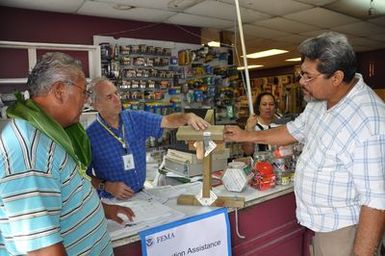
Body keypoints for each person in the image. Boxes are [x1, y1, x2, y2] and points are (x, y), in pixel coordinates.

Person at [224, 32, 385, 256]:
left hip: (345, 233)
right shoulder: (320, 102)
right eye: (302, 74)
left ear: (336, 78)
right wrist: (244, 136)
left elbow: (376, 202)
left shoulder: (370, 121)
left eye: (308, 76)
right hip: (320, 227)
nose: (301, 82)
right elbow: (291, 131)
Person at [0, 52, 134, 255]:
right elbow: (42, 250)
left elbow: (67, 186)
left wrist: (105, 210)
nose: (86, 100)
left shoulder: (50, 133)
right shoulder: (29, 151)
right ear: (60, 90)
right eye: (83, 92)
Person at [86, 77, 210, 200]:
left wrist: (187, 117)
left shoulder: (134, 118)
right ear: (96, 105)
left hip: (140, 196)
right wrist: (107, 186)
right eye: (109, 97)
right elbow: (83, 177)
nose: (117, 99)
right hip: (111, 202)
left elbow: (166, 121)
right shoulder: (89, 136)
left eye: (117, 93)